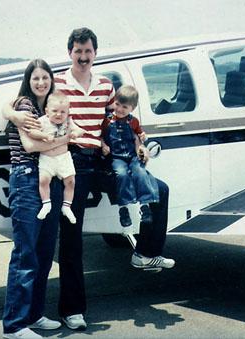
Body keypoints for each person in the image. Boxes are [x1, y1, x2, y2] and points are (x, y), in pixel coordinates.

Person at [54, 27, 176, 330]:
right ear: (69, 52)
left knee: (159, 189)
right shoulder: (58, 83)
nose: (83, 57)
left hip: (105, 160)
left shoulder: (106, 85)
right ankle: (72, 310)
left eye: (88, 51)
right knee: (71, 239)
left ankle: (146, 253)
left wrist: (139, 146)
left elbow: (121, 121)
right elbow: (46, 116)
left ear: (95, 53)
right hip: (72, 163)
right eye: (78, 51)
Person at [1, 59, 71, 339]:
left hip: (47, 180)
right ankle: (15, 326)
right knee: (26, 254)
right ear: (28, 81)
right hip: (28, 179)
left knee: (43, 253)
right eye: (35, 78)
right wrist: (64, 141)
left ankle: (34, 315)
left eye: (45, 78)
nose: (41, 82)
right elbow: (30, 145)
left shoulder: (48, 109)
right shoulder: (25, 106)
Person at [101, 85, 159, 234]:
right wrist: (103, 144)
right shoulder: (108, 121)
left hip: (131, 156)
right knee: (121, 175)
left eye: (124, 107)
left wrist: (143, 141)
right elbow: (100, 135)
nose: (119, 109)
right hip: (117, 157)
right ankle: (123, 207)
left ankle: (144, 205)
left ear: (132, 108)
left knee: (140, 172)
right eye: (117, 104)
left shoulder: (133, 122)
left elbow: (139, 135)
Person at [27, 91, 84, 224]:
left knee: (70, 182)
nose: (59, 114)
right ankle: (46, 203)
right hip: (47, 158)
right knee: (43, 180)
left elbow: (80, 130)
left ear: (68, 112)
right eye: (55, 111)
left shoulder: (69, 121)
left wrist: (76, 133)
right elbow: (32, 132)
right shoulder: (42, 121)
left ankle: (66, 206)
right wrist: (44, 136)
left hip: (63, 158)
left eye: (63, 112)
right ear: (47, 111)